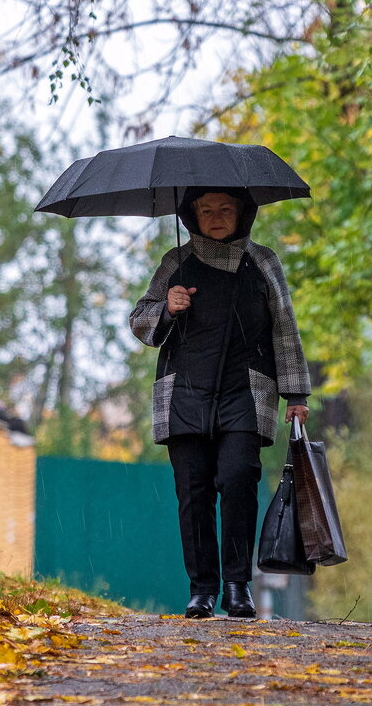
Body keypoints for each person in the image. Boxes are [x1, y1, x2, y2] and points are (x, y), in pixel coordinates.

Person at [130, 186, 311, 619]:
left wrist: (297, 393)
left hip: (246, 392)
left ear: (242, 213)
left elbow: (285, 327)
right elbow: (140, 320)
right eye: (206, 209)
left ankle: (237, 587)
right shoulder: (175, 262)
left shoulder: (263, 261)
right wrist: (168, 308)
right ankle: (202, 590)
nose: (215, 216)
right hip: (185, 392)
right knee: (192, 493)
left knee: (237, 482)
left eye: (225, 209)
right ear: (192, 215)